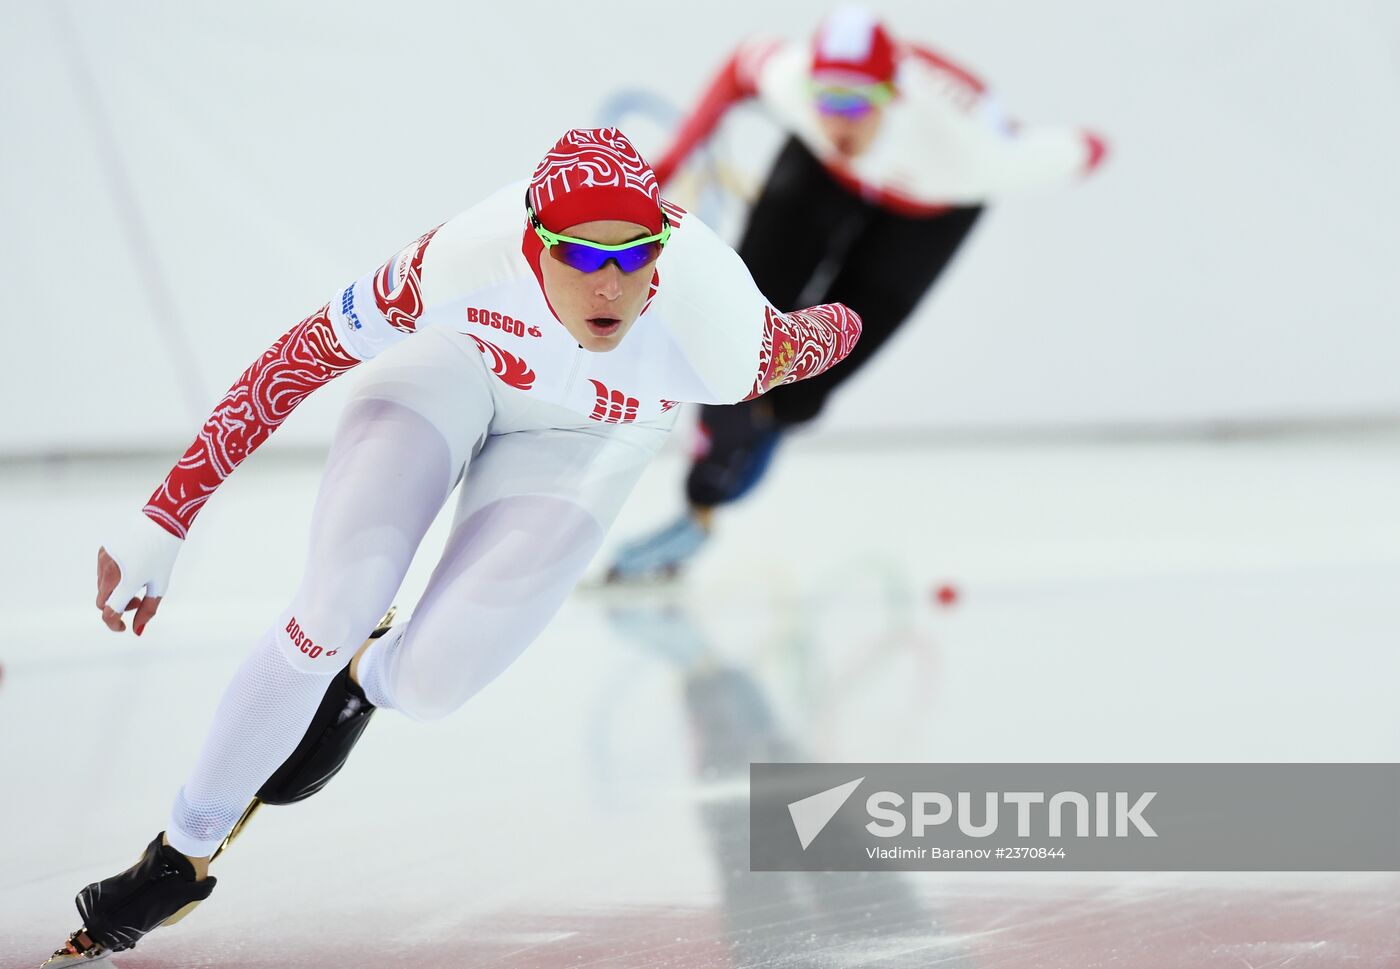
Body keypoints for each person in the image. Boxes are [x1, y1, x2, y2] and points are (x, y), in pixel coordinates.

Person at [44, 127, 861, 965]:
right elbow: (291, 364)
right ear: (532, 240)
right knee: (331, 607)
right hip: (454, 368)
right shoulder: (457, 260)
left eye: (634, 254)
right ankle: (181, 853)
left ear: (663, 245)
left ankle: (366, 675)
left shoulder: (728, 334)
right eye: (578, 256)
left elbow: (840, 325)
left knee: (431, 688)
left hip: (591, 437)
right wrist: (166, 517)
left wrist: (832, 310)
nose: (608, 283)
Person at [607, 5, 1107, 580]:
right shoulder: (798, 88)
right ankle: (703, 501)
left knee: (809, 379)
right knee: (737, 338)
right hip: (825, 173)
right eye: (826, 97)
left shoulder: (981, 155)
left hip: (934, 198)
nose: (837, 118)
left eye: (853, 104)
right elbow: (741, 67)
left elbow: (1088, 149)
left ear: (891, 96)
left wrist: (1045, 144)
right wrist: (666, 163)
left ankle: (753, 451)